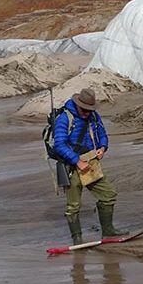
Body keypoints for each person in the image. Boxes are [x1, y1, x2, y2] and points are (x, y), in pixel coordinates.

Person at [52, 87, 128, 244]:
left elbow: (102, 134)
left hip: (91, 163)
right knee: (73, 205)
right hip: (71, 167)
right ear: (78, 105)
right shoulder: (65, 118)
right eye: (84, 110)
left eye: (89, 110)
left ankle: (108, 232)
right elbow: (59, 144)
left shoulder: (93, 116)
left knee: (108, 194)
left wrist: (102, 147)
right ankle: (77, 239)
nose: (87, 113)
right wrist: (77, 161)